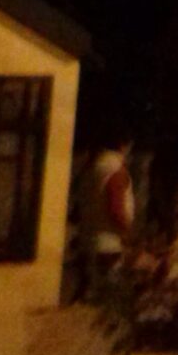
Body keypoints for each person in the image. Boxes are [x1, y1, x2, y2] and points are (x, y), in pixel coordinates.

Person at [76, 127, 136, 298]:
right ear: (123, 145)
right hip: (109, 246)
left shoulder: (92, 167)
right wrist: (128, 234)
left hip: (87, 242)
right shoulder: (115, 170)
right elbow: (116, 208)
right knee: (109, 299)